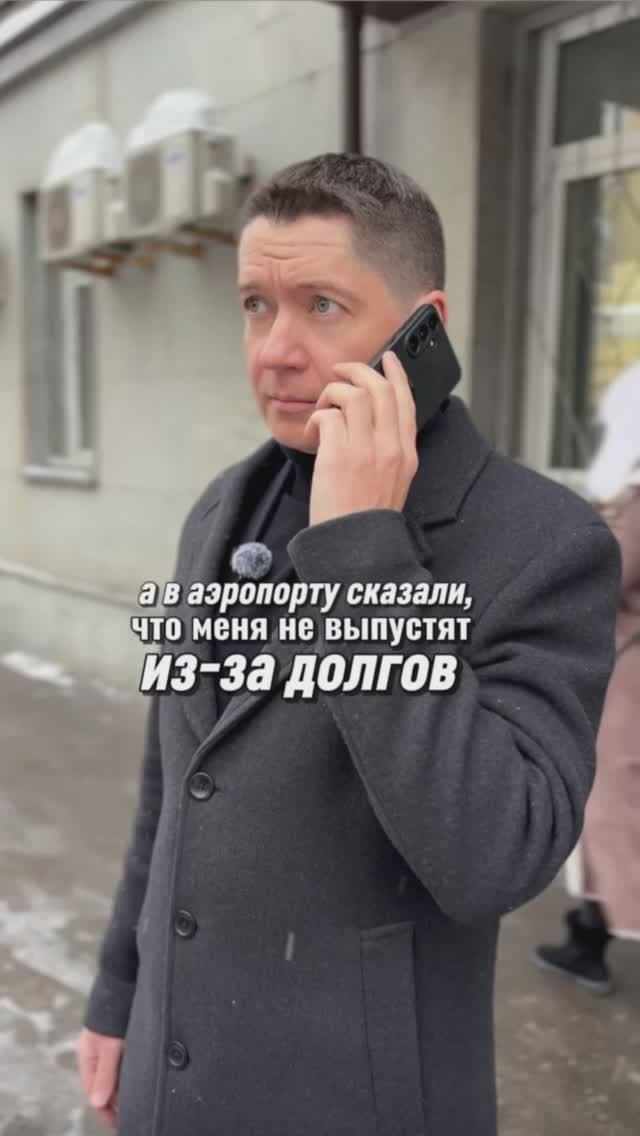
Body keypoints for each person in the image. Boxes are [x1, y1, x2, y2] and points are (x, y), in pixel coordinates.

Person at [76, 153, 621, 1136]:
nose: (275, 351)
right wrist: (119, 991)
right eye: (255, 305)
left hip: (352, 1100)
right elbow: (173, 778)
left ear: (423, 328)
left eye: (321, 305)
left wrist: (364, 551)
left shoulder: (543, 543)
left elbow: (500, 856)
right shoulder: (218, 508)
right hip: (171, 1078)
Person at [534, 360, 640, 994]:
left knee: (611, 802)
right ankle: (589, 933)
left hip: (629, 671)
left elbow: (609, 577)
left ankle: (599, 933)